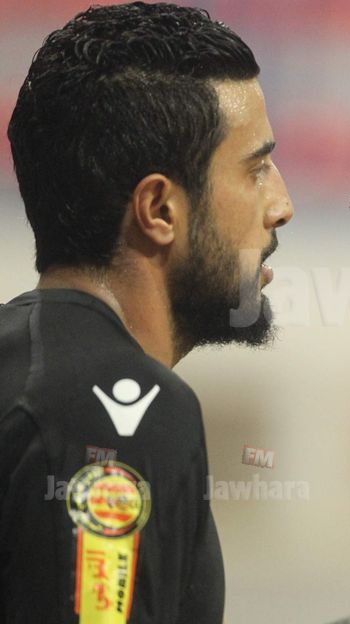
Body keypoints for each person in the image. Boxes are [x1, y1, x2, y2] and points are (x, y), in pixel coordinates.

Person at [0, 3, 292, 622]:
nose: (282, 205)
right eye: (257, 169)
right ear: (159, 209)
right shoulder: (117, 413)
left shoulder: (23, 369)